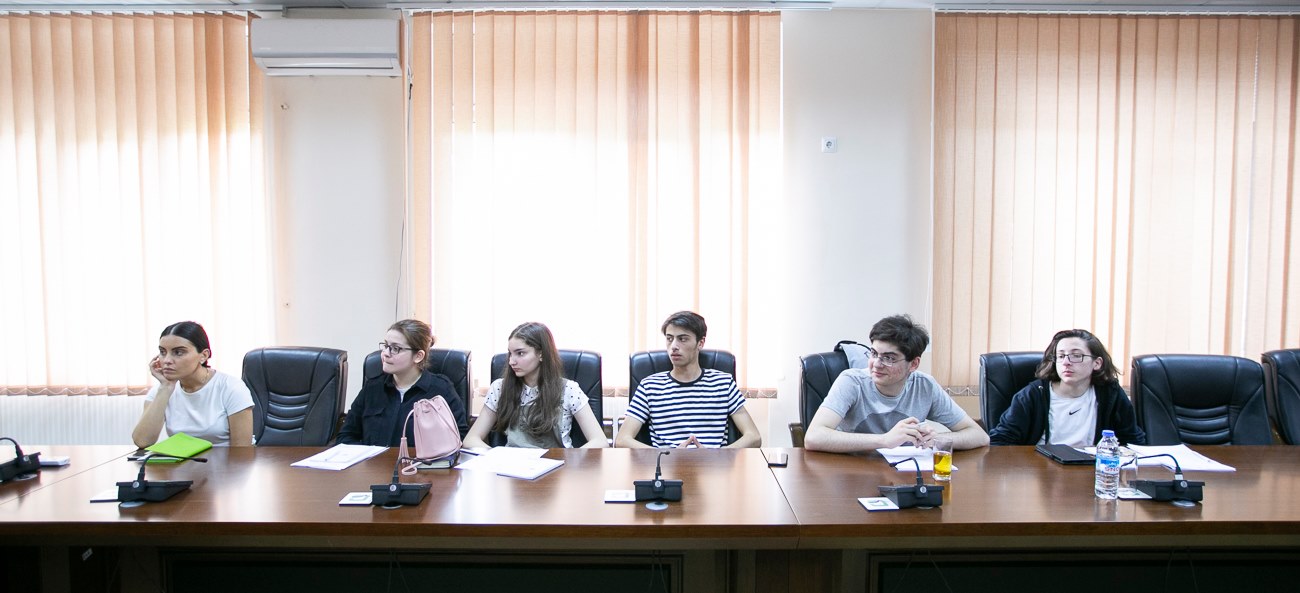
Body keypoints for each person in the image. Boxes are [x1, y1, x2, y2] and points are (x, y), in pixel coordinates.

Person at [804, 314, 988, 452]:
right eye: (874, 353)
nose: (876, 364)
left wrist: (936, 439)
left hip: (904, 475)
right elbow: (813, 437)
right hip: (852, 474)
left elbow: (979, 435)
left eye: (889, 358)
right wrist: (884, 440)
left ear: (913, 364)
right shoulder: (852, 382)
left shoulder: (925, 386)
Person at [615, 311, 762, 448]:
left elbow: (753, 437)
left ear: (700, 343)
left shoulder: (723, 383)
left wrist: (717, 456)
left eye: (682, 339)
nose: (674, 346)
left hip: (714, 465)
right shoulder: (649, 386)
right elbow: (622, 440)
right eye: (669, 339)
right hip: (665, 465)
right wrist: (665, 455)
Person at [989, 329, 1145, 447]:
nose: (1066, 362)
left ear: (1097, 363)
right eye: (1061, 356)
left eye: (1076, 355)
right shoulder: (1033, 395)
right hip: (1041, 472)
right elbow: (1000, 441)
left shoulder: (1110, 393)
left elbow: (1133, 441)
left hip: (1091, 471)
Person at [463, 322, 607, 449]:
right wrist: (497, 457)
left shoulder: (569, 390)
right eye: (510, 354)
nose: (511, 361)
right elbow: (470, 439)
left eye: (520, 353)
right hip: (513, 467)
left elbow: (600, 441)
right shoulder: (500, 388)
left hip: (559, 467)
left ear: (541, 354)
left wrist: (572, 460)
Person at [337, 319, 469, 446]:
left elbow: (459, 437)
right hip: (374, 462)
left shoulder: (441, 389)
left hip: (420, 462)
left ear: (418, 356)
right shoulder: (372, 388)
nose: (386, 353)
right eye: (386, 346)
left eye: (395, 348)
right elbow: (346, 436)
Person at [132, 321, 254, 448]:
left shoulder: (231, 387)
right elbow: (142, 441)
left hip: (225, 460)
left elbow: (242, 451)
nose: (167, 360)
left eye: (178, 352)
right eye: (163, 352)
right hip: (182, 459)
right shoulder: (163, 389)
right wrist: (165, 388)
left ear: (204, 355)